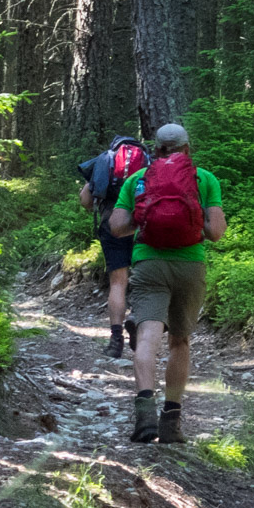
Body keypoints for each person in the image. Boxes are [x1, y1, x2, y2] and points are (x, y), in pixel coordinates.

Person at [107, 123, 227, 444]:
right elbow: (216, 232)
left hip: (150, 264)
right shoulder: (205, 179)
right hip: (190, 266)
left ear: (156, 149)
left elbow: (116, 226)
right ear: (188, 149)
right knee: (180, 342)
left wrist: (144, 218)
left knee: (147, 337)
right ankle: (171, 422)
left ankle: (145, 412)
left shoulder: (137, 179)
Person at [77, 134, 147, 360]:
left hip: (111, 223)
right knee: (144, 278)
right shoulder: (150, 161)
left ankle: (116, 341)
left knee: (118, 282)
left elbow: (86, 200)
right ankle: (137, 319)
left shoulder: (105, 159)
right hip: (143, 226)